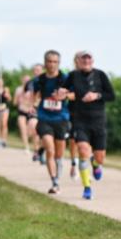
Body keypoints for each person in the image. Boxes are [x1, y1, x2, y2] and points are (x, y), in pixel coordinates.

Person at [64, 50, 115, 200]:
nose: (86, 61)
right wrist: (61, 93)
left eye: (88, 59)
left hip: (98, 121)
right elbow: (63, 88)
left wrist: (96, 95)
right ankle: (87, 187)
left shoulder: (100, 75)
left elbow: (111, 95)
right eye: (83, 59)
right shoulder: (73, 76)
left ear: (92, 61)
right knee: (83, 150)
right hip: (80, 121)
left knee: (100, 158)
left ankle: (96, 164)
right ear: (78, 61)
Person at [32, 50, 71, 194]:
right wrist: (34, 106)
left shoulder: (65, 78)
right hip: (44, 118)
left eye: (55, 62)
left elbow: (74, 95)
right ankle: (54, 181)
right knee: (50, 149)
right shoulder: (39, 80)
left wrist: (64, 95)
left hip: (61, 119)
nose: (52, 64)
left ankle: (58, 171)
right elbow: (35, 96)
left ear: (59, 63)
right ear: (45, 63)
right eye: (49, 61)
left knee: (59, 154)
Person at [14, 73, 38, 154]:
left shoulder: (33, 89)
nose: (26, 81)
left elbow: (37, 100)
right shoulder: (18, 89)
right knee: (23, 129)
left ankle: (35, 148)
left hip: (31, 111)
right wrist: (20, 98)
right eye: (25, 79)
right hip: (21, 111)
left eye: (28, 80)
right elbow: (15, 102)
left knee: (33, 130)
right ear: (22, 80)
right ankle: (26, 147)